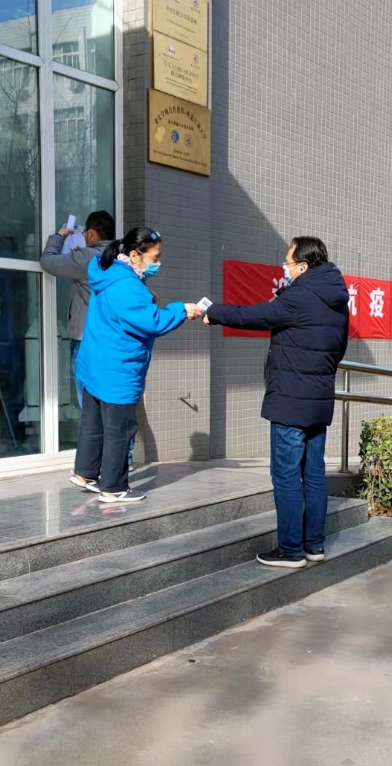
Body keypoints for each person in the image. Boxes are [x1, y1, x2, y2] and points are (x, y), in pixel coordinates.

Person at [203, 236, 350, 568]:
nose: (284, 268)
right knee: (314, 475)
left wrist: (214, 312)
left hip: (290, 400)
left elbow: (258, 315)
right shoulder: (337, 299)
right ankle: (314, 545)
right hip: (319, 399)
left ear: (303, 266)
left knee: (286, 476)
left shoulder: (299, 295)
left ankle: (291, 550)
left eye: (288, 262)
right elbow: (339, 348)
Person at [71, 227, 202, 502]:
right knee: (120, 431)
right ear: (134, 255)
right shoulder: (127, 286)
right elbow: (152, 322)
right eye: (154, 258)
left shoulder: (107, 271)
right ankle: (114, 488)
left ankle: (85, 473)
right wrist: (182, 309)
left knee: (93, 423)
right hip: (117, 369)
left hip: (94, 363)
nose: (158, 263)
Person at [39, 210, 115, 408]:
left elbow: (47, 262)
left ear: (91, 233)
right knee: (111, 400)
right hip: (114, 338)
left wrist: (59, 236)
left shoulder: (88, 257)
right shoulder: (122, 258)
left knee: (88, 401)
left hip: (86, 338)